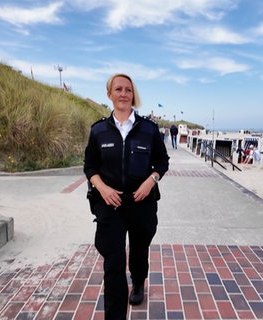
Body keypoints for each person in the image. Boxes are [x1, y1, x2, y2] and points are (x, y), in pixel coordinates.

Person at [84, 73, 169, 319]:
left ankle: (139, 280)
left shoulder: (149, 129)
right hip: (110, 204)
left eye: (128, 90)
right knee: (114, 263)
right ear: (109, 94)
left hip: (142, 203)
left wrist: (150, 182)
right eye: (118, 89)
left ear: (133, 95)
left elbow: (162, 162)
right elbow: (90, 167)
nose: (123, 94)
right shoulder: (99, 130)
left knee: (139, 252)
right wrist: (102, 188)